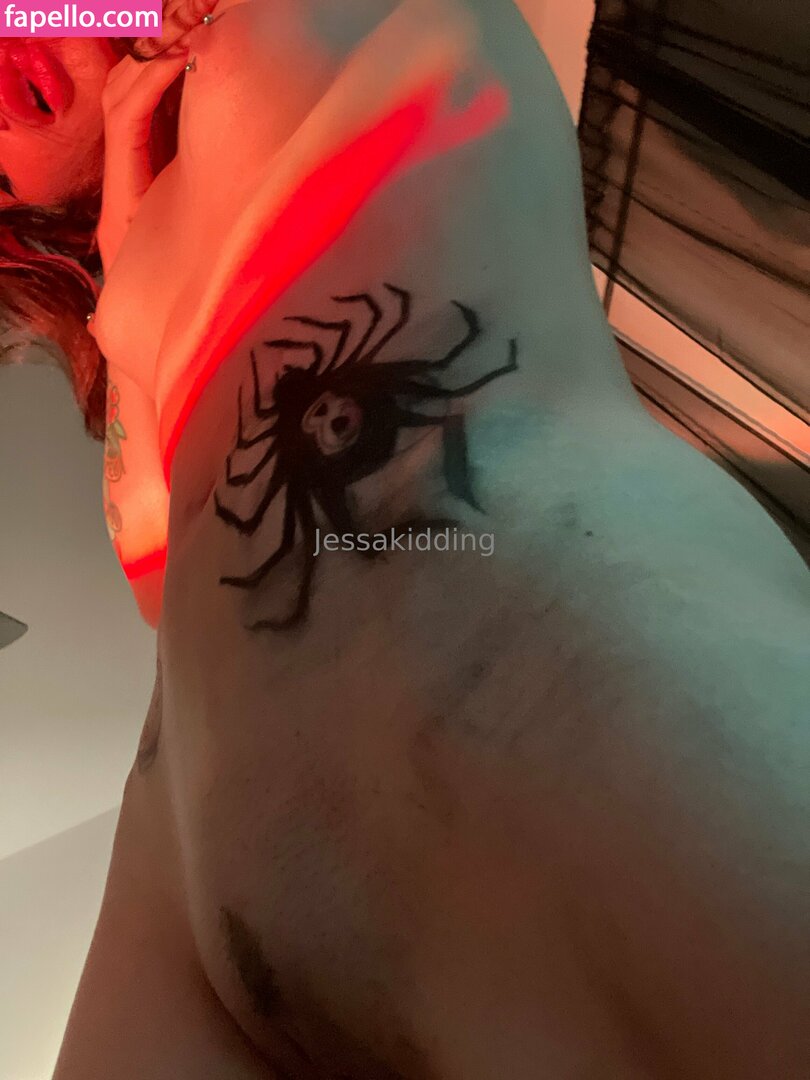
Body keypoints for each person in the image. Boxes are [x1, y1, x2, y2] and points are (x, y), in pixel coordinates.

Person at [1, 2, 807, 1077]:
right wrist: (120, 286)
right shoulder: (139, 258)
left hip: (528, 643)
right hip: (194, 840)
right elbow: (152, 571)